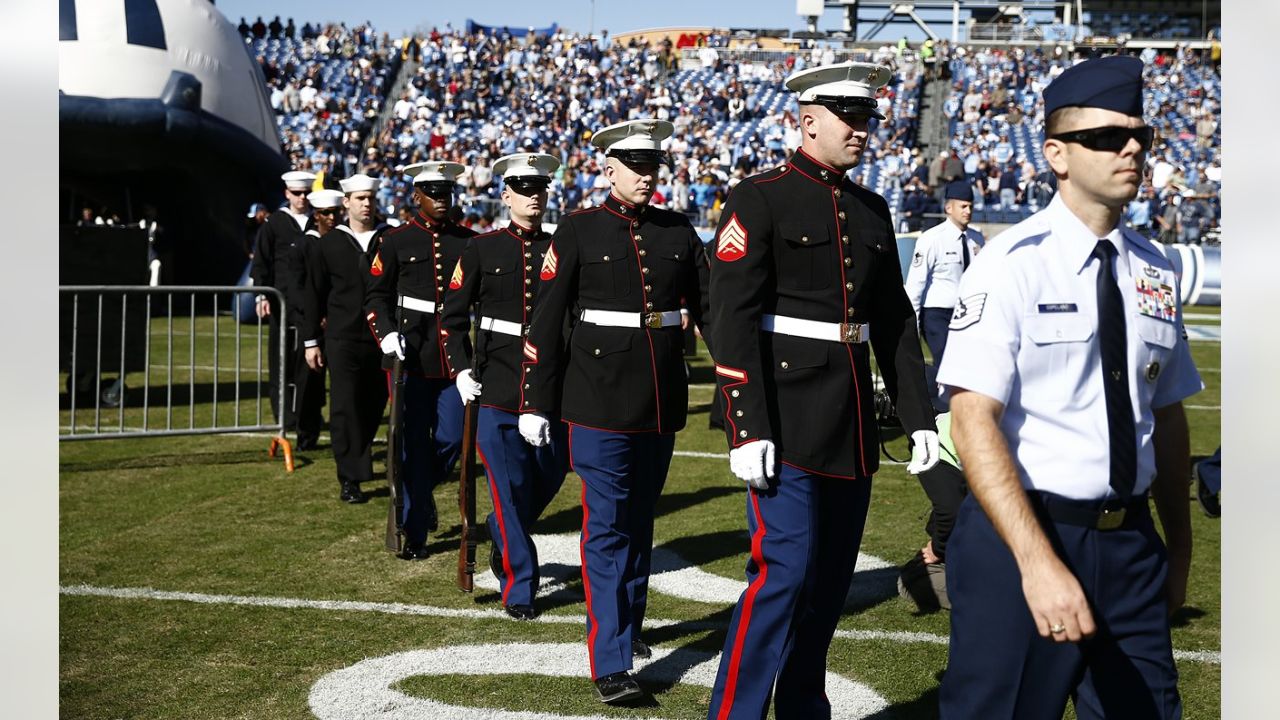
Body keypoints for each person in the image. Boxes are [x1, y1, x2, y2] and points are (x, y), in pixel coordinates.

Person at [936, 55, 1202, 719]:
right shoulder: (1011, 265)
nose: (1133, 148)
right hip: (1025, 535)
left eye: (1142, 136)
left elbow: (1166, 417)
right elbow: (972, 419)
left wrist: (1179, 554)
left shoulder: (1155, 269)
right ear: (1057, 154)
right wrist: (1038, 564)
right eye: (1109, 137)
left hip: (1131, 543)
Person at [705, 61, 940, 720]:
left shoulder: (873, 208)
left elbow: (892, 320)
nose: (862, 128)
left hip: (851, 425)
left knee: (829, 584)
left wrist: (920, 416)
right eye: (849, 116)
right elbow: (732, 317)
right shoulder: (759, 197)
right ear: (808, 120)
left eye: (868, 117)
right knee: (783, 577)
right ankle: (735, 713)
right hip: (782, 420)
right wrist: (745, 423)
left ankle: (804, 706)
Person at [518, 119, 709, 704]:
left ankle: (628, 626)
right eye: (635, 165)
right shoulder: (578, 230)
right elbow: (547, 322)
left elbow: (713, 312)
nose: (647, 175)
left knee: (640, 523)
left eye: (653, 165)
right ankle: (611, 661)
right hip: (595, 401)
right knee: (606, 529)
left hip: (658, 404)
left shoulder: (678, 231)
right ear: (608, 168)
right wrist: (534, 400)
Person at [440, 153, 570, 621]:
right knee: (507, 485)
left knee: (552, 471)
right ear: (506, 194)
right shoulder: (481, 249)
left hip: (551, 384)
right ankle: (520, 587)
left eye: (540, 188)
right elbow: (452, 318)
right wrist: (458, 369)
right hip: (497, 382)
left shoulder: (561, 247)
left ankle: (501, 528)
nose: (534, 196)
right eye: (523, 188)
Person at [365, 161, 476, 560]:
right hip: (409, 356)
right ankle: (415, 531)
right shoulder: (395, 241)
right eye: (433, 193)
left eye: (447, 193)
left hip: (452, 360)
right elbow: (375, 295)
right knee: (411, 443)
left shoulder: (468, 241)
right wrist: (386, 333)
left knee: (451, 438)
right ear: (416, 197)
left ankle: (423, 493)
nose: (442, 200)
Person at [301, 180, 388, 505]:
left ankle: (360, 456)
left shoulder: (388, 238)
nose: (367, 204)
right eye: (360, 198)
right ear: (347, 202)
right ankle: (349, 477)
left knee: (374, 402)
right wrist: (312, 340)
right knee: (344, 405)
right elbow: (314, 294)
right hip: (342, 337)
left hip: (381, 338)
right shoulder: (329, 244)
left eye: (371, 198)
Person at [251, 170, 325, 450]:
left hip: (313, 303)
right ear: (287, 194)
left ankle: (309, 421)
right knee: (281, 363)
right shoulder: (274, 224)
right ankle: (284, 418)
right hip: (283, 302)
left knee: (311, 366)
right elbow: (262, 261)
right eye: (297, 193)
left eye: (306, 193)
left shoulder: (319, 221)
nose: (302, 198)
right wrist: (262, 295)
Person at [904, 181, 985, 371]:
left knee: (968, 369)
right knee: (947, 366)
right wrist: (912, 326)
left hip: (968, 312)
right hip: (937, 314)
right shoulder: (932, 239)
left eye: (971, 206)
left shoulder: (977, 238)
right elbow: (916, 284)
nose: (968, 211)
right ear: (949, 207)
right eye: (963, 206)